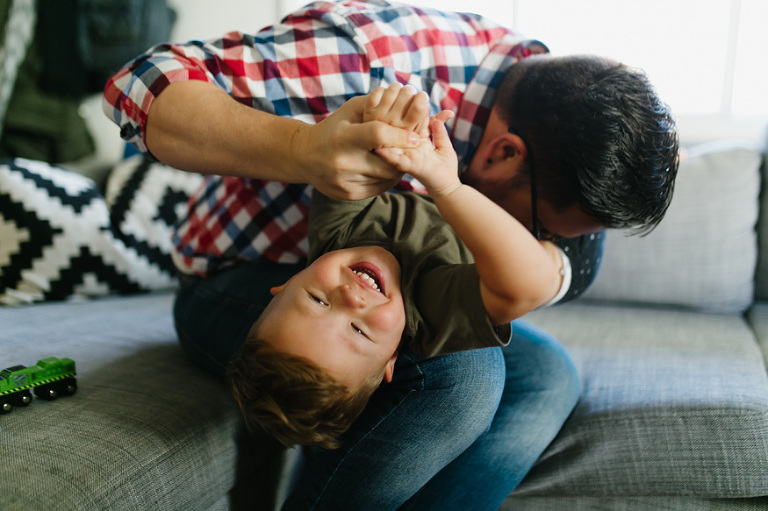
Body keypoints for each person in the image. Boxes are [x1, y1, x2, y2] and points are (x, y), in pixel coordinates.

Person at [102, 1, 679, 509]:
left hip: (367, 288)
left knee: (546, 375)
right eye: (541, 227)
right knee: (466, 375)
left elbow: (563, 270)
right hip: (235, 277)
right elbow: (138, 85)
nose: (349, 295)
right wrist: (307, 148)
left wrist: (449, 189)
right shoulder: (369, 55)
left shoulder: (574, 134)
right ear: (504, 153)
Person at [227, 83, 560, 450]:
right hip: (518, 232)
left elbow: (348, 151)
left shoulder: (337, 234)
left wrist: (391, 121)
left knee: (551, 371)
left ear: (287, 282)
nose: (351, 299)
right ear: (393, 359)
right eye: (358, 331)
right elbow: (535, 283)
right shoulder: (429, 310)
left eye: (318, 301)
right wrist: (446, 187)